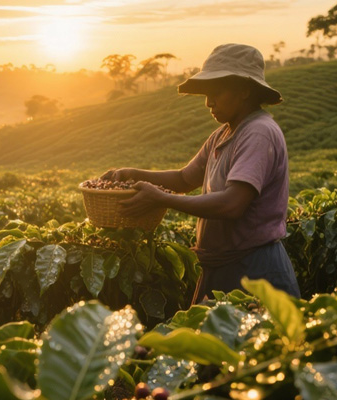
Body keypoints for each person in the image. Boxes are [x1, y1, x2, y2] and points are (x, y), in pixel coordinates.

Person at [102, 43, 301, 301]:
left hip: (255, 270)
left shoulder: (258, 132)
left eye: (216, 92)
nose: (209, 103)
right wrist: (131, 174)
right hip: (224, 267)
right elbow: (185, 179)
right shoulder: (224, 133)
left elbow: (233, 204)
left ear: (243, 90)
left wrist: (162, 199)